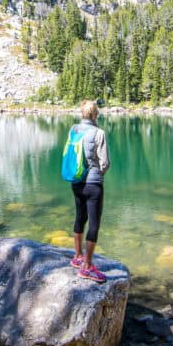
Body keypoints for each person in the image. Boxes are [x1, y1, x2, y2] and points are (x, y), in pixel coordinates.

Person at [68, 100, 110, 283]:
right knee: (94, 224)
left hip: (76, 181)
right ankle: (87, 267)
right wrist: (99, 173)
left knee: (80, 217)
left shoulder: (73, 130)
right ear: (95, 115)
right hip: (93, 184)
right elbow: (105, 162)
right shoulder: (99, 133)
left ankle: (77, 256)